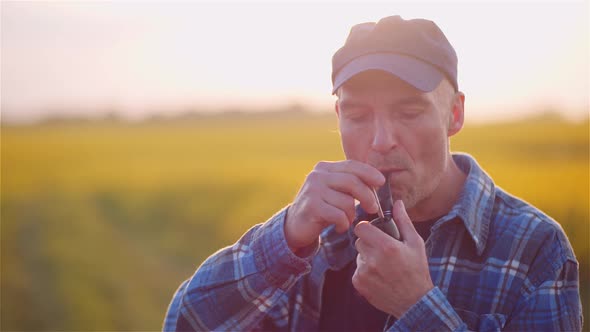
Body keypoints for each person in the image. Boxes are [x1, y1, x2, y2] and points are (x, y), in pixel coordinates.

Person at [163, 15, 582, 331]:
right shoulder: (318, 236)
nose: (381, 141)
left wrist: (417, 307)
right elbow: (185, 323)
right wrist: (285, 237)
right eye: (359, 115)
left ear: (454, 113)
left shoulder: (533, 249)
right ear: (338, 116)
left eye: (409, 111)